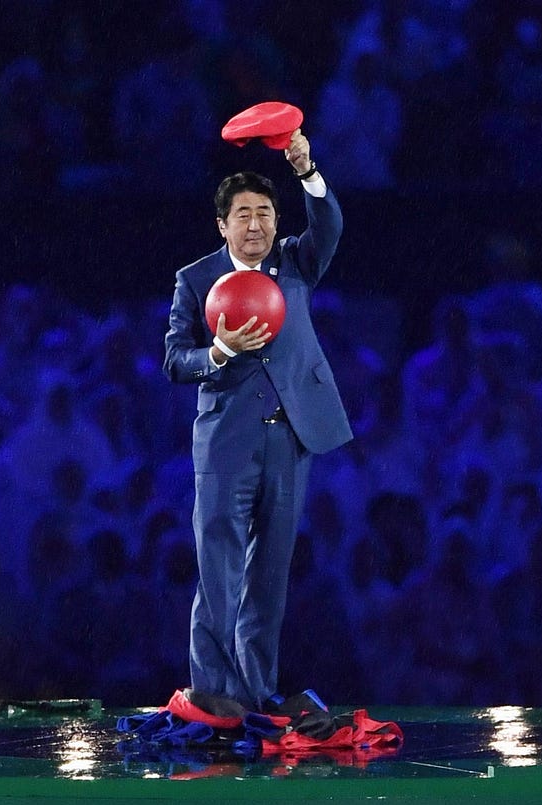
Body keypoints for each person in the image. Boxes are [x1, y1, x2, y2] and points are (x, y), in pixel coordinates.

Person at [163, 127, 352, 708]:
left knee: (270, 574)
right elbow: (175, 359)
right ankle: (213, 694)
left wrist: (307, 171)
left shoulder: (295, 263)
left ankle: (257, 691)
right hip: (226, 445)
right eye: (243, 214)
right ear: (223, 225)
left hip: (289, 440)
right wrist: (218, 352)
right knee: (218, 568)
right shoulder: (195, 280)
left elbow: (329, 227)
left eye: (265, 213)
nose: (256, 225)